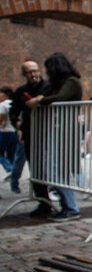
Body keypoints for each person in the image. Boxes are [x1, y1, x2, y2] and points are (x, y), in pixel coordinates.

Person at [26, 53, 82, 221]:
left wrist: (41, 101)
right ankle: (69, 207)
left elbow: (60, 98)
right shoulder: (60, 83)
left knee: (58, 170)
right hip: (57, 131)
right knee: (55, 170)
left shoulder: (71, 81)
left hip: (65, 131)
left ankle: (71, 208)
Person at [9, 60, 51, 204]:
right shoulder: (21, 91)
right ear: (24, 74)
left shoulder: (49, 87)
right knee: (35, 168)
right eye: (29, 72)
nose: (33, 74)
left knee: (50, 166)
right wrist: (17, 123)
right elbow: (13, 111)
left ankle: (56, 197)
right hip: (30, 133)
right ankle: (43, 201)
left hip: (48, 133)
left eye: (35, 70)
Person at [0, 87, 18, 180]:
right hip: (14, 132)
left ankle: (9, 169)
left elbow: (1, 120)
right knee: (11, 154)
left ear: (5, 94)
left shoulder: (2, 105)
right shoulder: (14, 104)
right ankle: (13, 173)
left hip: (4, 132)